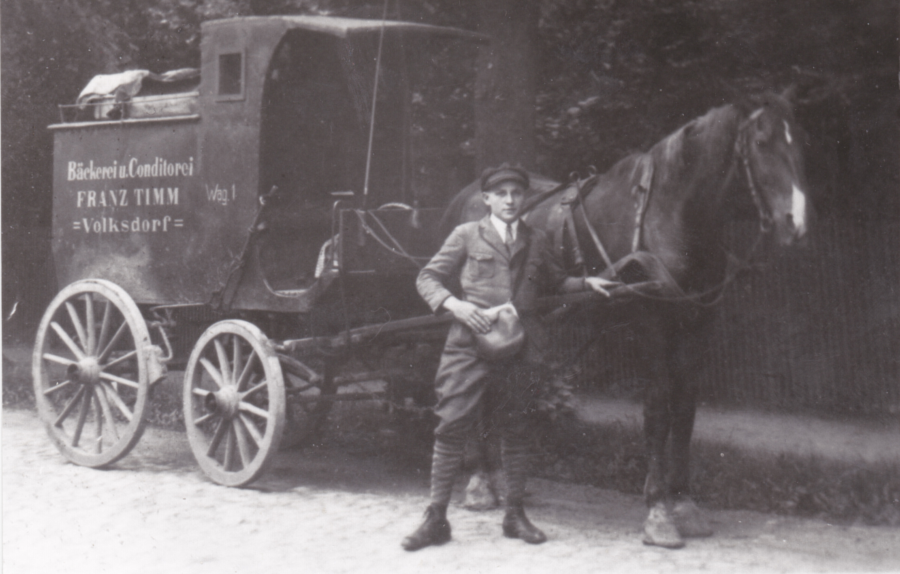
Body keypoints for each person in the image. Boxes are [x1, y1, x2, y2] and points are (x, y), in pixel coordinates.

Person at [402, 164, 617, 551]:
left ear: (523, 198)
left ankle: (515, 515)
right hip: (468, 345)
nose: (509, 200)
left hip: (521, 346)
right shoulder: (466, 234)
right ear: (486, 200)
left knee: (517, 428)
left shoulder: (537, 239)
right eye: (500, 193)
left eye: (516, 193)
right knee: (450, 426)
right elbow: (427, 278)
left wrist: (587, 282)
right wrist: (455, 306)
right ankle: (435, 518)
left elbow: (557, 282)